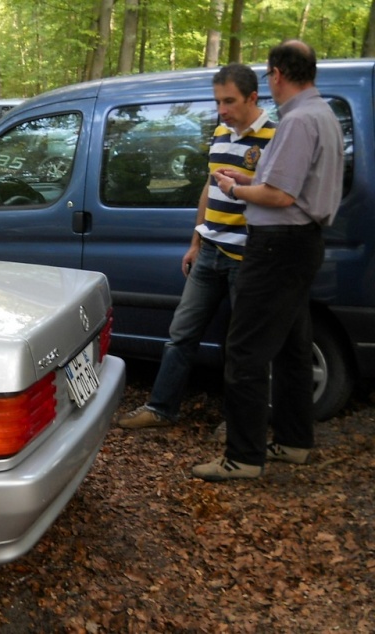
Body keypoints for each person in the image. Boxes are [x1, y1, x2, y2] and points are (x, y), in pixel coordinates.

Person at [193, 40, 344, 481]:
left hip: (278, 245)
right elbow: (284, 181)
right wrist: (250, 177)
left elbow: (280, 196)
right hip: (300, 243)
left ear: (277, 74)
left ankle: (243, 456)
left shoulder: (297, 120)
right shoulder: (322, 115)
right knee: (294, 347)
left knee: (245, 351)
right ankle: (295, 442)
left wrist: (237, 190)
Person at [118, 63, 276, 430]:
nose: (222, 110)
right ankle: (160, 409)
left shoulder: (274, 136)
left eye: (230, 101)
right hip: (210, 251)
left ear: (253, 98)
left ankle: (240, 423)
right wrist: (196, 240)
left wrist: (245, 182)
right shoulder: (221, 132)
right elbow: (209, 187)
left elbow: (277, 194)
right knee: (181, 333)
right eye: (218, 101)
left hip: (247, 256)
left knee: (243, 348)